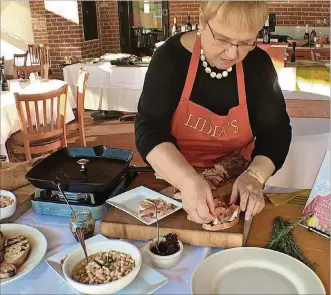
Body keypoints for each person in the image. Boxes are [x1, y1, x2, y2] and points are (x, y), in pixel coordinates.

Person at [135, 1, 292, 223]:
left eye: (246, 42)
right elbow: (149, 129)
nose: (232, 53)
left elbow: (276, 133)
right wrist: (187, 180)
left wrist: (255, 176)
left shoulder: (258, 64)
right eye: (223, 38)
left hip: (237, 182)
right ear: (202, 20)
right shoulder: (169, 59)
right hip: (173, 176)